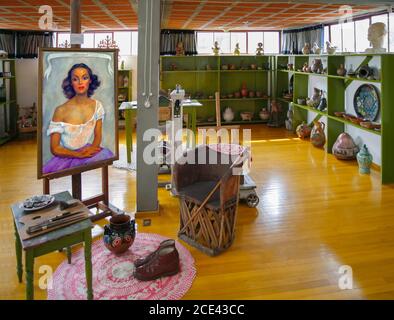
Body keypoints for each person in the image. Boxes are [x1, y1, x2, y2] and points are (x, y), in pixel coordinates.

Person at [43, 63, 114, 174]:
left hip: (88, 151)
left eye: (84, 78)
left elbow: (98, 135)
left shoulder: (97, 106)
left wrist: (90, 150)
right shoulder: (60, 110)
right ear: (71, 83)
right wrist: (78, 155)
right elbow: (55, 148)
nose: (80, 82)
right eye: (75, 79)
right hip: (66, 156)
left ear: (90, 81)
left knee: (106, 156)